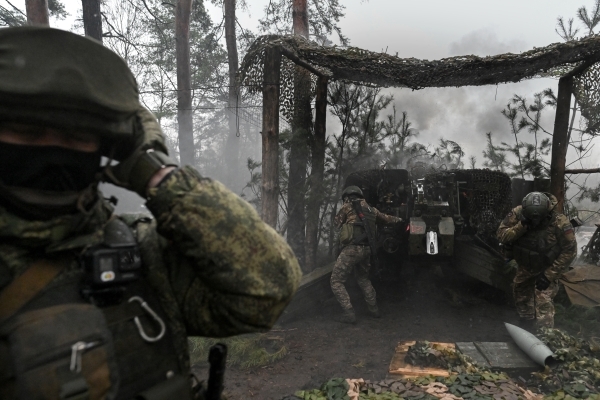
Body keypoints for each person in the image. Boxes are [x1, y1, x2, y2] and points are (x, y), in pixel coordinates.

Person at [0, 26, 301, 399]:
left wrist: (156, 173)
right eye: (28, 132)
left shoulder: (138, 254)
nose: (53, 149)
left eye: (77, 137)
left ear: (109, 146)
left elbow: (269, 288)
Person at [497, 192, 576, 330]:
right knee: (521, 295)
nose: (535, 222)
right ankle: (526, 325)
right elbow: (502, 235)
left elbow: (570, 250)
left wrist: (550, 275)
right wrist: (521, 226)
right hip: (525, 266)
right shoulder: (518, 213)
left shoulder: (559, 222)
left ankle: (546, 336)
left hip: (548, 267)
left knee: (543, 302)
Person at [330, 185, 402, 324]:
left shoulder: (347, 207)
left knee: (336, 281)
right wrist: (400, 220)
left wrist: (343, 210)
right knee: (363, 278)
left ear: (347, 197)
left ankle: (349, 312)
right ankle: (374, 309)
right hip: (366, 250)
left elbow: (336, 224)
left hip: (351, 250)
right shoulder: (371, 210)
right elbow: (387, 219)